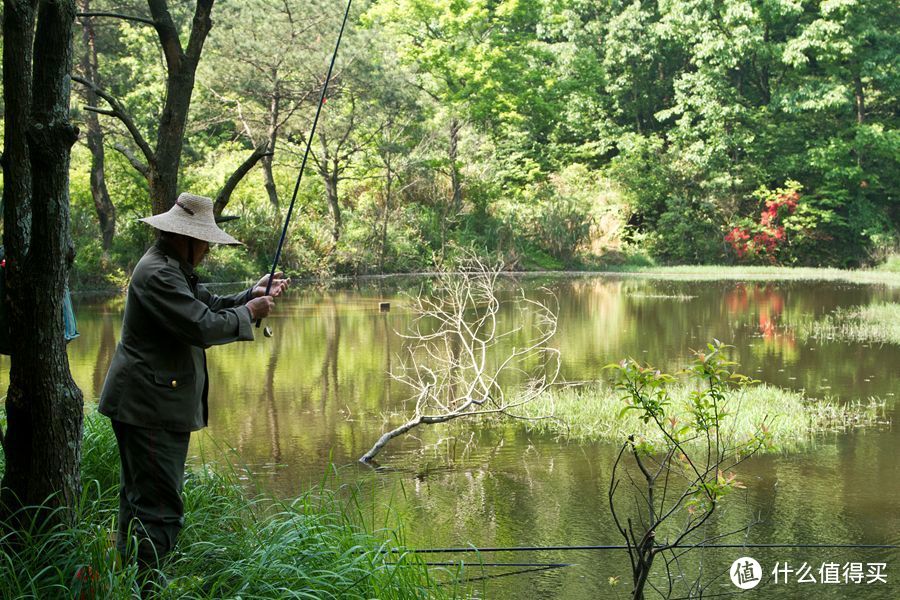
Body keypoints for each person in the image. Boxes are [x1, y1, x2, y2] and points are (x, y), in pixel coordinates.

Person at [98, 192, 289, 593]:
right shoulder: (160, 273)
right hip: (149, 408)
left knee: (138, 502)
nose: (207, 250)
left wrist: (249, 297)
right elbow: (202, 326)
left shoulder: (170, 267)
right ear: (182, 238)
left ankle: (130, 585)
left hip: (146, 404)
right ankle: (148, 588)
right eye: (205, 242)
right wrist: (249, 314)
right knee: (161, 510)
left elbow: (210, 304)